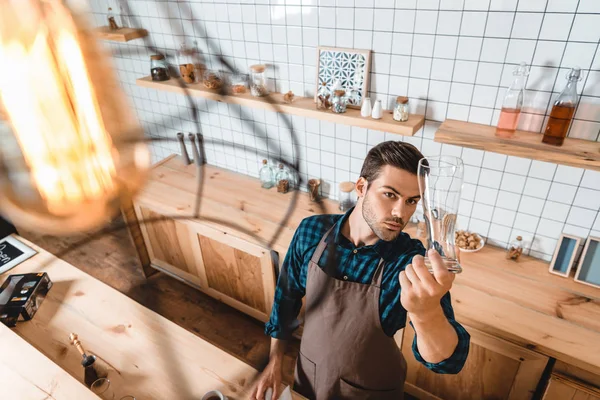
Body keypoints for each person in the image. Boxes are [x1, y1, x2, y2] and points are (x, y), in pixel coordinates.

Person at [251, 141, 470, 400]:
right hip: (309, 381)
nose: (401, 212)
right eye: (390, 194)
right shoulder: (311, 232)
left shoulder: (409, 262)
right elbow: (285, 299)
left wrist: (427, 313)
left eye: (412, 201)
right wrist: (274, 361)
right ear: (361, 187)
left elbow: (448, 362)